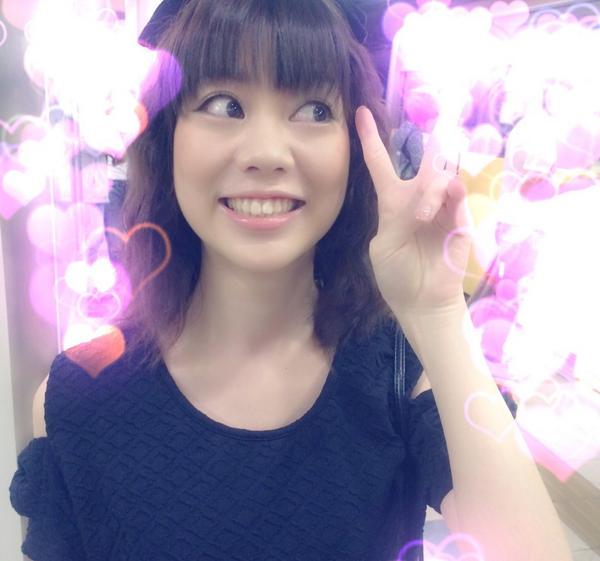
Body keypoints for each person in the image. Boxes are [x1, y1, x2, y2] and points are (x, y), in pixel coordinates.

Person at [9, 1, 570, 561]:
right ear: (166, 138)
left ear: (355, 149)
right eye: (224, 104)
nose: (267, 154)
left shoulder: (401, 373)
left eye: (312, 109)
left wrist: (437, 313)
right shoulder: (79, 398)